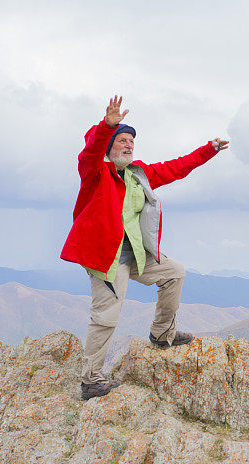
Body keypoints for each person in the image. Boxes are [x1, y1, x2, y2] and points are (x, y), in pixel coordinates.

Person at [60, 95, 229, 400]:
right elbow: (89, 153)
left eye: (131, 141)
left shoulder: (139, 175)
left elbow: (177, 168)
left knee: (175, 272)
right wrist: (105, 126)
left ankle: (162, 333)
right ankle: (91, 380)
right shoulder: (96, 174)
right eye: (121, 140)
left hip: (137, 256)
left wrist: (209, 150)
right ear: (109, 146)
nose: (128, 145)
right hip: (107, 260)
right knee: (106, 315)